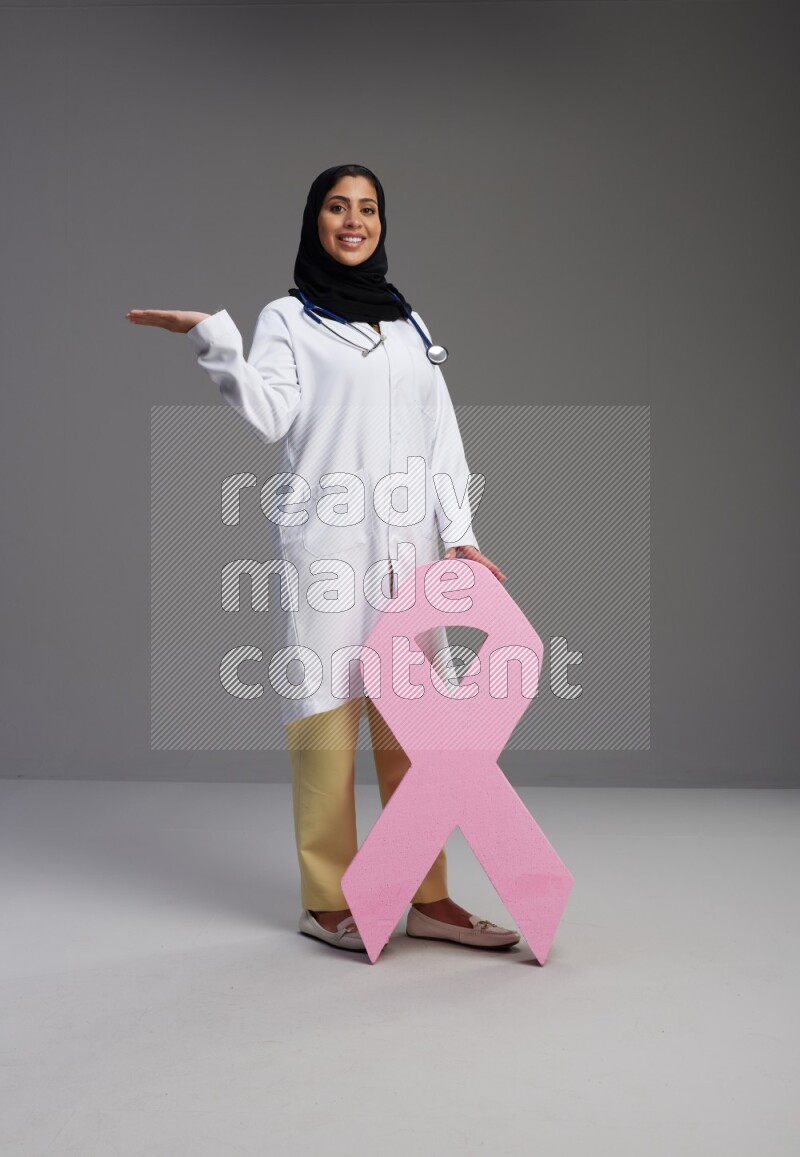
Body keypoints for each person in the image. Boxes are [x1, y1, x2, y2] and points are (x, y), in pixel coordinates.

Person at [126, 163, 520, 953]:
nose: (353, 220)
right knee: (325, 720)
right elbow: (270, 415)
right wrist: (215, 340)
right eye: (337, 207)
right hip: (328, 545)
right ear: (315, 220)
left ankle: (425, 894)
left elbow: (441, 434)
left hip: (407, 548)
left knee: (417, 726)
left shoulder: (407, 322)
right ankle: (327, 898)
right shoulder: (287, 318)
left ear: (381, 224)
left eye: (367, 209)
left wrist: (461, 531)